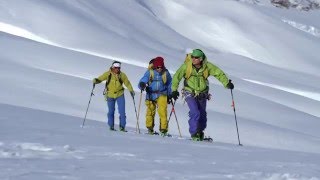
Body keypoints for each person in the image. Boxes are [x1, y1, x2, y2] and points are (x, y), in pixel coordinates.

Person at [171, 49, 234, 141]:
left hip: (203, 94)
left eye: (196, 58)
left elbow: (218, 73)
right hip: (189, 92)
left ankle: (200, 131)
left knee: (202, 114)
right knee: (195, 112)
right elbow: (177, 76)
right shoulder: (186, 66)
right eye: (192, 57)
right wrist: (174, 90)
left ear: (201, 59)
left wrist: (226, 83)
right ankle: (194, 133)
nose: (193, 59)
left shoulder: (207, 66)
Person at [93, 61, 135, 132]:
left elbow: (127, 83)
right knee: (111, 111)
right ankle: (111, 126)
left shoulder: (122, 75)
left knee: (122, 112)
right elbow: (100, 79)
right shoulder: (108, 74)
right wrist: (95, 80)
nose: (117, 69)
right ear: (113, 67)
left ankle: (122, 127)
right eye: (116, 68)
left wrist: (131, 90)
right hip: (110, 95)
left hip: (120, 94)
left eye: (119, 68)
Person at [138, 57, 172, 136]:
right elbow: (143, 79)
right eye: (158, 67)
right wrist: (142, 84)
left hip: (162, 94)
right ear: (155, 66)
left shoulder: (166, 73)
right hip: (150, 94)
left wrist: (170, 94)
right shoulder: (150, 72)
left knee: (163, 112)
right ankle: (150, 129)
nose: (159, 69)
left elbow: (170, 83)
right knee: (150, 111)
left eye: (161, 67)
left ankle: (163, 130)